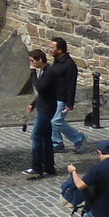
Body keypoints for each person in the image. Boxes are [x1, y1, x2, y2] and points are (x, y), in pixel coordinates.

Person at [24, 48, 62, 179]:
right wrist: (33, 104)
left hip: (46, 109)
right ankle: (49, 167)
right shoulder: (46, 71)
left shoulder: (49, 72)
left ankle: (36, 167)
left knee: (36, 136)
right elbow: (44, 92)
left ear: (40, 60)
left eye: (33, 61)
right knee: (46, 137)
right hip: (43, 106)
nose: (32, 64)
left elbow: (39, 87)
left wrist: (32, 72)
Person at [49, 38, 87, 153]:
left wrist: (70, 103)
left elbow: (71, 84)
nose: (50, 50)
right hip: (54, 97)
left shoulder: (69, 64)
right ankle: (57, 143)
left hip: (62, 98)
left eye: (52, 48)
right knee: (52, 120)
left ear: (60, 50)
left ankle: (79, 138)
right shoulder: (57, 61)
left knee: (56, 121)